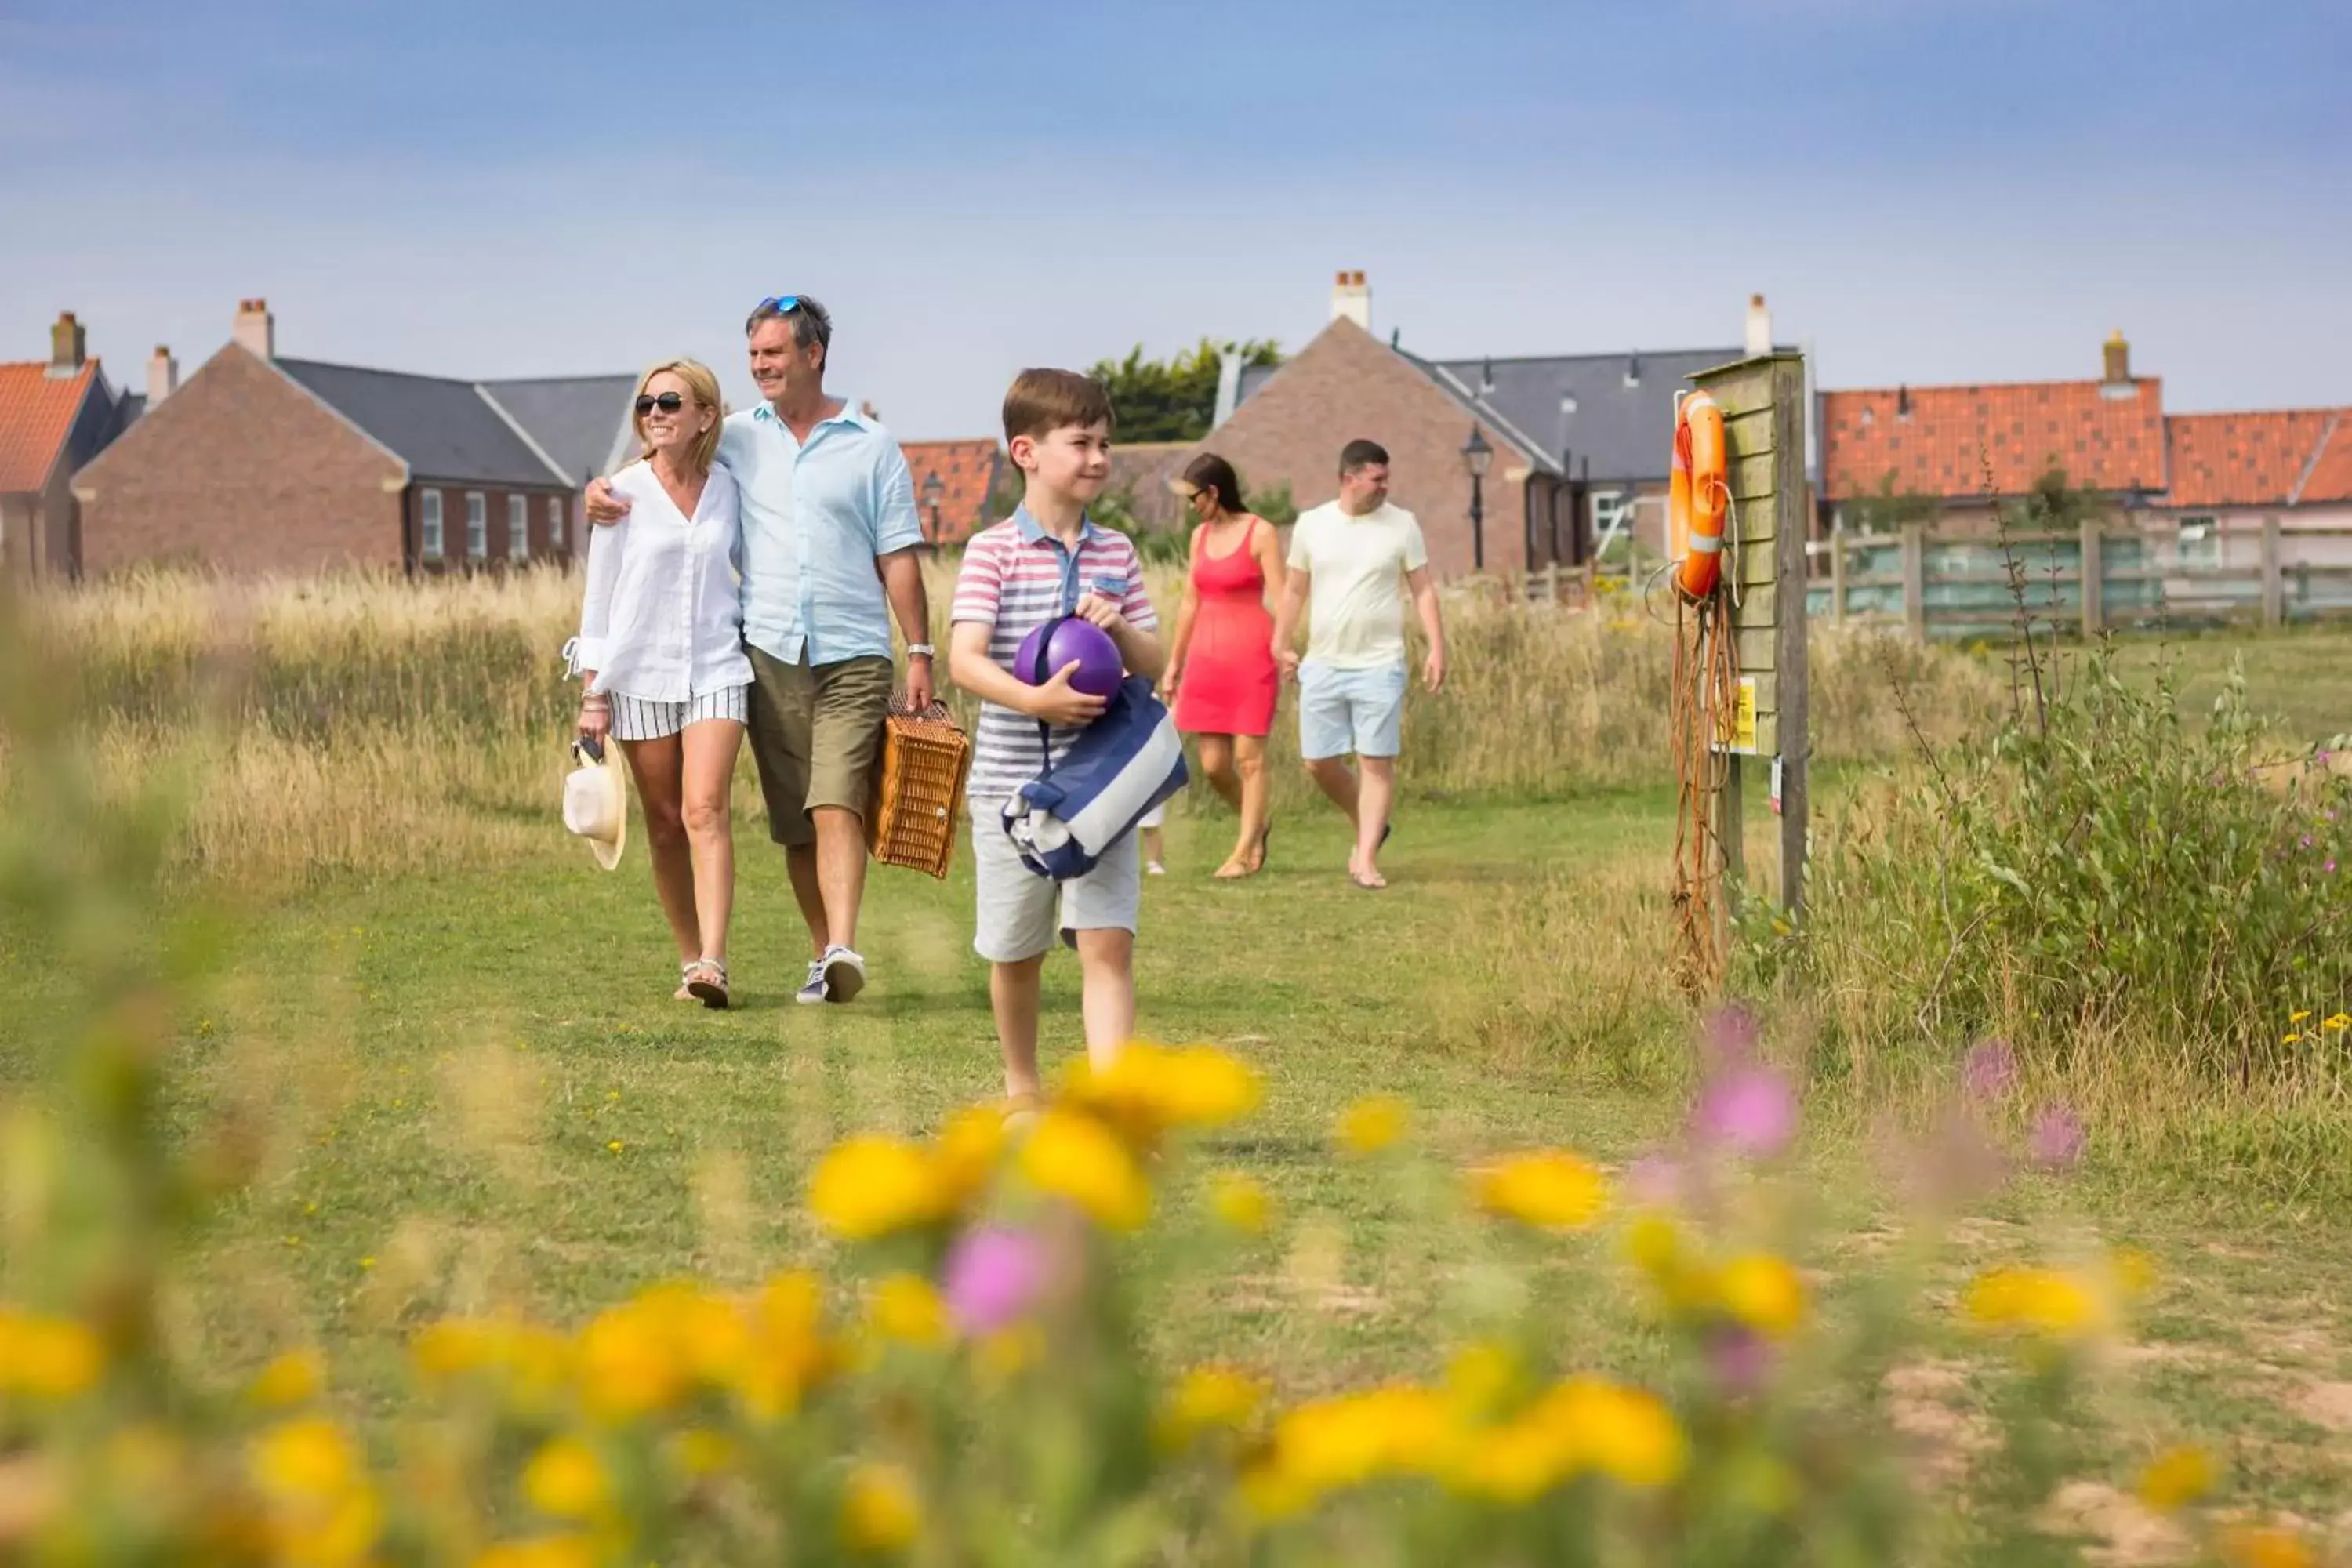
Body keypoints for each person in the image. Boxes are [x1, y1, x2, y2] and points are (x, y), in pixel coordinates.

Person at [586, 296, 931, 1005]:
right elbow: (664, 452)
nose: (761, 367)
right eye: (753, 357)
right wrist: (601, 489)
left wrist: (920, 650)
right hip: (766, 651)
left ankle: (835, 944)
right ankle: (814, 956)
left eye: (774, 353)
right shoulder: (732, 441)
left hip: (835, 650)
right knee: (790, 818)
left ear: (814, 355)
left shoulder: (869, 444)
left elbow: (898, 554)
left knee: (828, 798)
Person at [947, 368, 1164, 1112]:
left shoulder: (1119, 553)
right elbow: (965, 660)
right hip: (1010, 790)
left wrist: (1123, 629)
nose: (1099, 457)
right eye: (1082, 442)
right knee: (1017, 951)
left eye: (1106, 442)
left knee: (1108, 944)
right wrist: (1033, 698)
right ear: (1027, 451)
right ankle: (1023, 1091)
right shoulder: (991, 552)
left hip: (1104, 786)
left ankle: (1111, 1111)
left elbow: (1157, 662)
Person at [571, 358, 751, 1007]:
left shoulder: (731, 489)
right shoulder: (620, 491)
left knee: (705, 808)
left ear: (706, 414)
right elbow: (600, 600)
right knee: (667, 823)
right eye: (646, 404)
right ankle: (687, 961)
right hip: (638, 675)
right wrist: (594, 694)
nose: (654, 414)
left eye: (669, 402)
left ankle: (714, 962)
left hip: (718, 669)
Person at [1269, 439, 1447, 890]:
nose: (1386, 486)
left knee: (1375, 762)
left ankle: (1366, 856)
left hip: (1380, 664)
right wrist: (1281, 640)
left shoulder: (1402, 525)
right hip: (1324, 662)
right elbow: (1293, 590)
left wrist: (1437, 647)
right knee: (1318, 761)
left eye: (1387, 477)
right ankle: (1369, 821)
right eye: (1377, 478)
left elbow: (1423, 589)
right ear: (1350, 479)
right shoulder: (1313, 525)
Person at [1163, 452, 1285, 878]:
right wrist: (1174, 663)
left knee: (1250, 760)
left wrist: (1285, 645)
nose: (1191, 506)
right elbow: (1190, 601)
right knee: (1215, 766)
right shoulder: (1199, 538)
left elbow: (1281, 597)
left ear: (1214, 492)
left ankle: (1243, 851)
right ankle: (1258, 825)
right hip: (1205, 659)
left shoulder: (1261, 533)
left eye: (1195, 497)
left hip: (1252, 657)